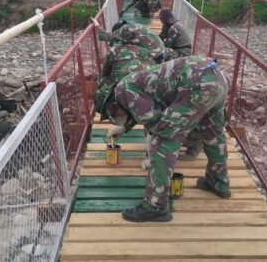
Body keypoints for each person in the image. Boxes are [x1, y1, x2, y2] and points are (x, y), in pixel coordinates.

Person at [95, 56, 231, 222]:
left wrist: (149, 150)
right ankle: (218, 182)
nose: (115, 119)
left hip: (197, 84)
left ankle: (155, 206)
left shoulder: (123, 88)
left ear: (111, 104)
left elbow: (152, 120)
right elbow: (143, 108)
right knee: (213, 134)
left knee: (162, 140)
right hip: (217, 77)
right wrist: (126, 127)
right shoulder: (134, 83)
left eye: (113, 116)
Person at [97, 21, 165, 88]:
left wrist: (97, 26)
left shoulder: (125, 28)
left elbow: (110, 36)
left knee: (145, 70)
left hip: (155, 52)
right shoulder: (134, 27)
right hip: (159, 50)